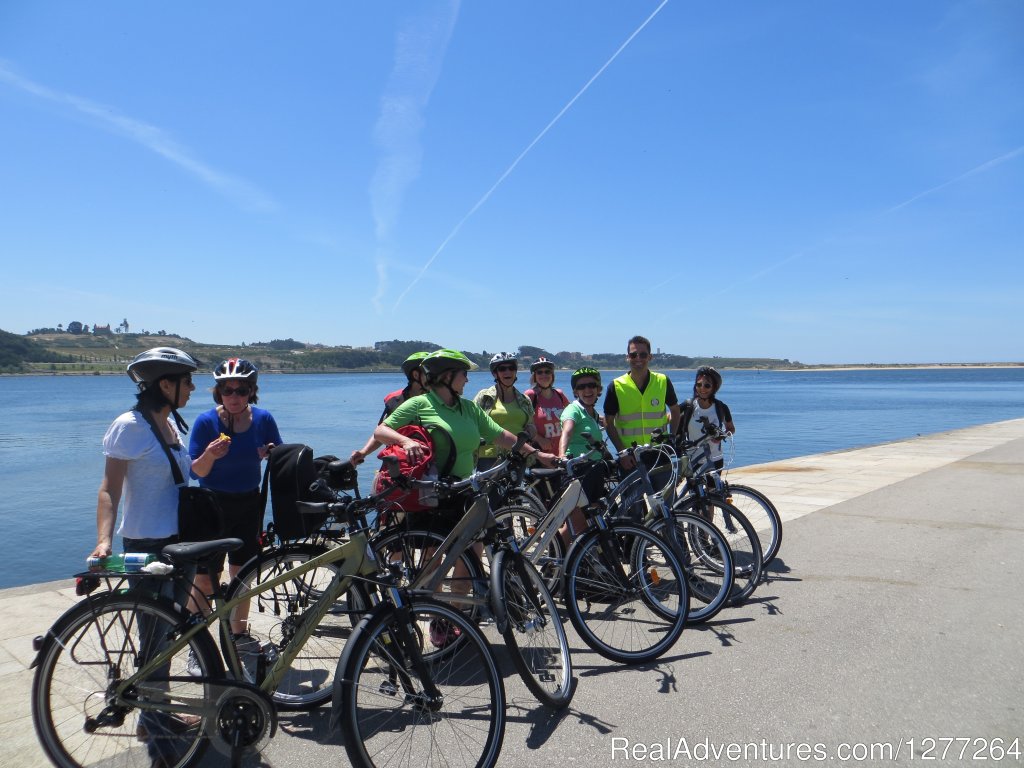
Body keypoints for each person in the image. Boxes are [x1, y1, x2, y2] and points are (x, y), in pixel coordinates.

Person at [371, 349, 556, 647]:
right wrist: (405, 442)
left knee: (471, 556)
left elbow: (500, 435)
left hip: (465, 490)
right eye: (463, 374)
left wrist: (536, 453)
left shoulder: (468, 408)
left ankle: (451, 616)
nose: (468, 379)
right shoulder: (421, 404)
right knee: (431, 560)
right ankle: (431, 615)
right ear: (447, 376)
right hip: (432, 492)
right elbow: (382, 430)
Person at [92, 347, 204, 765]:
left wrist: (206, 459)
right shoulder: (129, 426)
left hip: (179, 542)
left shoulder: (172, 420)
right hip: (146, 544)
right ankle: (160, 747)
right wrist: (104, 540)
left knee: (167, 635)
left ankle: (155, 718)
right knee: (154, 641)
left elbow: (184, 472)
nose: (193, 388)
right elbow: (109, 488)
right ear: (165, 384)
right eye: (187, 381)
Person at [189, 358, 283, 640]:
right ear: (218, 392)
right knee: (205, 579)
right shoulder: (206, 422)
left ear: (251, 392)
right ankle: (197, 642)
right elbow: (196, 472)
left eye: (241, 391)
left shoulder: (263, 418)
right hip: (211, 506)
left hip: (248, 504)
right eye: (227, 391)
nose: (234, 397)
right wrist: (210, 455)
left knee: (243, 578)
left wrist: (269, 452)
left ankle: (238, 634)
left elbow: (279, 453)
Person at [603, 335, 680, 469]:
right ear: (627, 357)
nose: (638, 358)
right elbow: (608, 423)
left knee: (665, 490)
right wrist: (622, 453)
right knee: (633, 491)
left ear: (650, 357)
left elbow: (675, 410)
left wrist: (672, 438)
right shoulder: (616, 386)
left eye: (643, 355)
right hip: (631, 456)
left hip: (660, 451)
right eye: (633, 355)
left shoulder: (662, 381)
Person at [556, 367, 609, 544]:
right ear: (575, 391)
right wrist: (562, 456)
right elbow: (567, 431)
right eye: (582, 387)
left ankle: (581, 560)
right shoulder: (573, 410)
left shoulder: (593, 414)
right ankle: (556, 561)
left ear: (599, 389)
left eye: (592, 385)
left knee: (590, 521)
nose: (587, 390)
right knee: (576, 525)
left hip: (594, 470)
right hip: (577, 471)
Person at [350, 351, 429, 465]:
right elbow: (381, 431)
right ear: (416, 375)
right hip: (398, 462)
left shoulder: (440, 399)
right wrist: (364, 452)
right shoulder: (394, 400)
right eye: (429, 372)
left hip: (430, 462)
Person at [473, 352, 536, 470]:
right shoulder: (484, 396)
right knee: (487, 488)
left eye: (511, 368)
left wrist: (531, 431)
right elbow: (471, 423)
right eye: (502, 369)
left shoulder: (525, 400)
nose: (508, 372)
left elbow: (531, 426)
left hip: (518, 456)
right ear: (494, 373)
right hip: (489, 457)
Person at [681, 365, 736, 470]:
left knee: (714, 487)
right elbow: (671, 416)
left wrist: (722, 436)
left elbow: (731, 429)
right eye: (698, 384)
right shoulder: (689, 405)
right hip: (693, 459)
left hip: (715, 459)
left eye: (707, 385)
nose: (702, 388)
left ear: (714, 387)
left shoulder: (721, 408)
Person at [524, 356, 570, 453]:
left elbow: (574, 413)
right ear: (534, 376)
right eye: (540, 372)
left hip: (563, 452)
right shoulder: (531, 395)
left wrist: (596, 416)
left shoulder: (559, 394)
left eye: (547, 372)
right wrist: (539, 439)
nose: (544, 375)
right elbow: (522, 424)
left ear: (552, 375)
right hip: (541, 454)